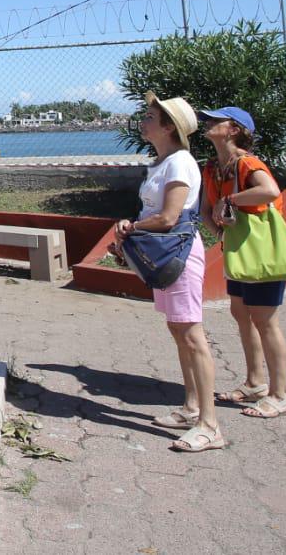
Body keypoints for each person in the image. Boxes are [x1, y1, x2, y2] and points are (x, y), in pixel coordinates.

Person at [114, 92, 224, 452]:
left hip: (177, 254)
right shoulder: (165, 162)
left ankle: (210, 425)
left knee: (192, 335)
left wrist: (131, 228)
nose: (143, 121)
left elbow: (168, 217)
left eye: (149, 117)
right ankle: (192, 406)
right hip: (165, 254)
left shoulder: (179, 163)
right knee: (179, 331)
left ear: (168, 128)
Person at [199, 106, 286, 420]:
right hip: (238, 249)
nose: (209, 123)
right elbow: (205, 210)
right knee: (241, 312)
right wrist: (221, 235)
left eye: (217, 120)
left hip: (262, 252)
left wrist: (231, 201)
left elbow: (269, 190)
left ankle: (280, 394)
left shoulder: (246, 163)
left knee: (265, 319)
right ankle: (255, 382)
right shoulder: (213, 168)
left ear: (235, 129)